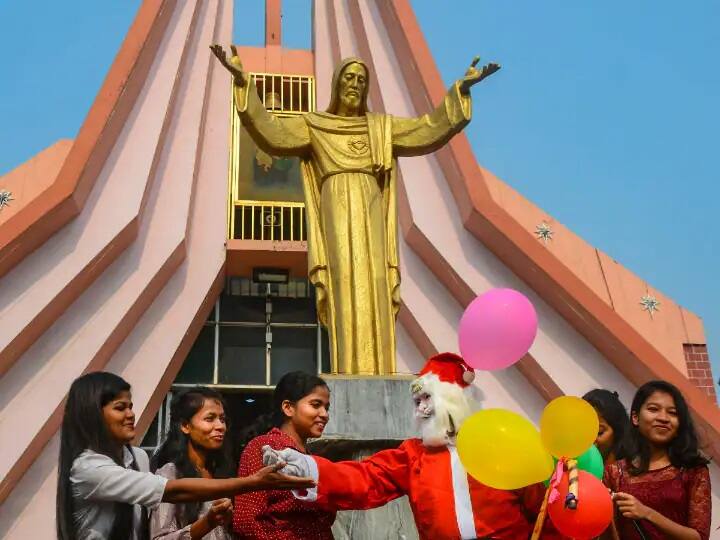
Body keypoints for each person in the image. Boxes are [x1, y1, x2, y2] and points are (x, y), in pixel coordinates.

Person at [210, 44, 500, 375]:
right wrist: (245, 83)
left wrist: (458, 93)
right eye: (349, 77)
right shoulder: (316, 125)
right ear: (336, 84)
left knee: (374, 279)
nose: (355, 85)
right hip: (336, 204)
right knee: (345, 280)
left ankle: (379, 367)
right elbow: (273, 134)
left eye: (362, 80)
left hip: (371, 204)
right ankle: (348, 366)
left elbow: (425, 130)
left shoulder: (382, 128)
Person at [264, 353, 561, 540]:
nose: (420, 410)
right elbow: (364, 478)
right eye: (416, 402)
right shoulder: (414, 454)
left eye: (427, 400)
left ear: (454, 400)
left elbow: (543, 511)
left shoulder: (502, 447)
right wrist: (308, 467)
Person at [56, 372, 314, 540]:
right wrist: (252, 484)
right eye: (120, 408)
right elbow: (172, 493)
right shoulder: (88, 468)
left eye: (131, 406)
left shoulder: (137, 458)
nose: (131, 414)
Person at [602, 380, 711, 540]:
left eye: (673, 413)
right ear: (635, 418)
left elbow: (699, 537)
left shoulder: (693, 470)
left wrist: (647, 513)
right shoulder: (615, 472)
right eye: (653, 409)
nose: (663, 418)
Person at [232, 371, 335, 539]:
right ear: (288, 408)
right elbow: (247, 520)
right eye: (316, 405)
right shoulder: (263, 447)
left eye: (326, 407)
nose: (325, 414)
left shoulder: (313, 459)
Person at [149, 387, 235, 539]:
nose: (220, 426)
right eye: (210, 419)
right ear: (185, 426)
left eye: (222, 419)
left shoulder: (220, 472)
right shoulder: (170, 474)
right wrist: (207, 522)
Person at [583, 388, 631, 463]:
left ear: (618, 434)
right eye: (583, 431)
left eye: (599, 432)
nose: (590, 440)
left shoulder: (630, 471)